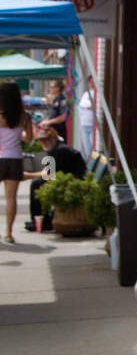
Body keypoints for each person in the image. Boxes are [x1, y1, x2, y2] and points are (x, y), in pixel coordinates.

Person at [24, 125, 87, 232]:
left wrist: (27, 176)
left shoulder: (60, 150)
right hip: (68, 179)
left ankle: (41, 221)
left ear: (54, 138)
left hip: (73, 182)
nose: (44, 142)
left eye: (46, 140)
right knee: (38, 183)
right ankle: (40, 219)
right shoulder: (56, 149)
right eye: (41, 140)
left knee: (36, 185)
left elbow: (49, 174)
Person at [1, 81, 35, 244]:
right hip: (15, 159)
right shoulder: (24, 116)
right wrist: (18, 136)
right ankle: (8, 233)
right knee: (11, 198)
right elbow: (29, 138)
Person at [45, 80, 70, 144]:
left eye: (51, 87)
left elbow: (63, 117)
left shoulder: (62, 100)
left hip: (59, 130)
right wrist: (45, 121)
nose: (50, 89)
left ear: (58, 88)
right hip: (52, 129)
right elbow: (52, 114)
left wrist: (49, 122)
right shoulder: (54, 99)